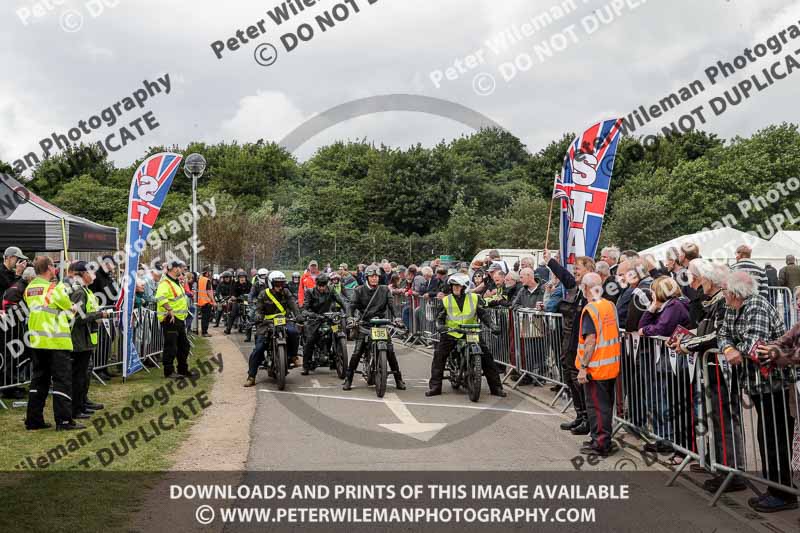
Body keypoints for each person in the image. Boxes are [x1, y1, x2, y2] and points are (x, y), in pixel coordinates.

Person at [718, 271, 796, 513]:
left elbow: (754, 343)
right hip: (754, 383)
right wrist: (729, 347)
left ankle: (782, 492)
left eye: (725, 291)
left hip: (774, 382)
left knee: (774, 437)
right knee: (766, 436)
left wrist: (734, 349)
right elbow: (723, 333)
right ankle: (776, 488)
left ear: (735, 292)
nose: (723, 295)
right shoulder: (734, 307)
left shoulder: (757, 305)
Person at [673, 260, 746, 493]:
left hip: (722, 369)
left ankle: (732, 472)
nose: (698, 283)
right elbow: (705, 330)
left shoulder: (722, 303)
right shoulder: (712, 303)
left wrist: (688, 345)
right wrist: (685, 339)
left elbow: (718, 336)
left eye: (700, 278)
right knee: (717, 420)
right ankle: (724, 468)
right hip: (714, 368)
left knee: (725, 421)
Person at [24, 256, 81, 431]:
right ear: (49, 268)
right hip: (56, 341)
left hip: (37, 341)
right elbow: (68, 307)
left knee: (38, 382)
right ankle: (64, 421)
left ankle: (34, 420)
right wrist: (73, 308)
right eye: (54, 266)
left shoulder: (29, 289)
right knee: (62, 381)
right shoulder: (54, 289)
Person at [425, 273, 506, 398]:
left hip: (471, 332)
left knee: (488, 358)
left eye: (458, 286)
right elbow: (439, 318)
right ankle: (435, 387)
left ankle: (496, 388)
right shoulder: (446, 300)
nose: (455, 288)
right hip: (452, 333)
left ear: (464, 287)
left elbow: (483, 315)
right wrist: (440, 327)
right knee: (439, 357)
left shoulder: (474, 298)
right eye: (453, 286)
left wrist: (492, 326)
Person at [638, 276, 691, 457]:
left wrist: (646, 329)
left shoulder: (675, 305)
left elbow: (660, 328)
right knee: (659, 399)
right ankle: (663, 438)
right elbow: (642, 326)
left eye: (653, 290)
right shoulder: (667, 306)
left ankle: (669, 440)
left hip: (676, 362)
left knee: (666, 400)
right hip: (666, 359)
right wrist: (651, 310)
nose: (651, 294)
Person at [545, 249, 594, 436]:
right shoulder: (577, 289)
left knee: (577, 379)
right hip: (569, 340)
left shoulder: (593, 291)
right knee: (569, 377)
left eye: (578, 268)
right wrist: (550, 261)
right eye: (574, 269)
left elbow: (566, 278)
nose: (575, 272)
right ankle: (580, 415)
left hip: (579, 343)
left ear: (589, 269)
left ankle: (587, 419)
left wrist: (552, 261)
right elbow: (566, 278)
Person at [575, 272, 621, 456]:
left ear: (586, 288)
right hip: (611, 365)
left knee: (596, 407)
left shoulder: (591, 309)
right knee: (605, 406)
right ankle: (604, 439)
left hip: (596, 367)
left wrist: (583, 368)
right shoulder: (609, 305)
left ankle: (601, 443)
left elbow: (591, 341)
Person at [343, 265, 406, 391]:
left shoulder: (384, 290)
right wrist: (350, 318)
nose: (374, 279)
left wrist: (398, 318)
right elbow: (351, 306)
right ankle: (348, 379)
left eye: (376, 276)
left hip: (381, 324)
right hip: (365, 324)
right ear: (367, 277)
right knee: (357, 352)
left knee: (390, 352)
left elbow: (392, 306)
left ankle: (399, 379)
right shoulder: (359, 290)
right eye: (372, 276)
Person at [67, 261, 109, 421]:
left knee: (83, 375)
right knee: (78, 376)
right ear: (82, 274)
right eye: (90, 273)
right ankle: (76, 409)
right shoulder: (79, 292)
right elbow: (77, 318)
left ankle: (82, 404)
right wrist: (99, 316)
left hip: (86, 339)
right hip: (78, 341)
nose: (93, 276)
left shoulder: (85, 290)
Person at [244, 271, 302, 387]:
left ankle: (293, 356)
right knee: (259, 348)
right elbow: (258, 310)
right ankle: (251, 376)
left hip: (283, 321)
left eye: (281, 283)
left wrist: (298, 315)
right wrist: (258, 316)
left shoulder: (286, 292)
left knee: (294, 332)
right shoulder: (263, 294)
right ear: (271, 283)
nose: (280, 286)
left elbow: (293, 305)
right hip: (266, 324)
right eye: (277, 283)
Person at [301, 273, 346, 375]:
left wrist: (348, 313)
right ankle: (306, 365)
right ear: (316, 284)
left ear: (326, 284)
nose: (322, 288)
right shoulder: (310, 292)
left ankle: (335, 359)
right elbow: (304, 309)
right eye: (320, 286)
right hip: (314, 320)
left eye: (324, 285)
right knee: (311, 339)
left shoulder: (331, 290)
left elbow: (342, 301)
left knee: (335, 331)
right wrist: (312, 315)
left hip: (328, 318)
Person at [156, 260, 192, 379]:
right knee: (171, 346)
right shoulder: (165, 283)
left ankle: (182, 369)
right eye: (179, 267)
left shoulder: (176, 282)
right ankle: (169, 371)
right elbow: (160, 298)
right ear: (174, 269)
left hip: (179, 319)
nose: (181, 269)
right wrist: (170, 310)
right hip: (170, 319)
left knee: (184, 346)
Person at [227, 270, 251, 334]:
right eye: (240, 277)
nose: (242, 278)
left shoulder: (249, 284)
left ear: (246, 277)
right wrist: (233, 296)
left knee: (251, 312)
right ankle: (228, 329)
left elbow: (252, 292)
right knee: (233, 313)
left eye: (243, 277)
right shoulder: (235, 284)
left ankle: (251, 327)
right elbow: (232, 292)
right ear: (238, 278)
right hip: (237, 301)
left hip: (246, 301)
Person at [196, 266, 216, 337]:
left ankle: (204, 332)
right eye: (209, 272)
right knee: (206, 318)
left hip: (202, 302)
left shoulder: (200, 279)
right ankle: (205, 332)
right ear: (207, 273)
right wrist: (213, 301)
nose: (210, 273)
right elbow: (209, 292)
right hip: (207, 302)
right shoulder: (207, 280)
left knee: (203, 318)